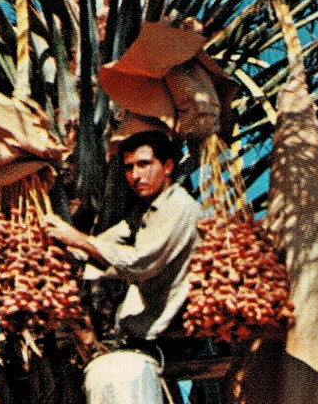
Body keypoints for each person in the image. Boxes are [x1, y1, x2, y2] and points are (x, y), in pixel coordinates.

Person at [43, 130, 202, 341]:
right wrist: (59, 247)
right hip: (146, 331)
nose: (135, 176)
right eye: (129, 168)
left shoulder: (178, 207)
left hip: (174, 336)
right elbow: (106, 242)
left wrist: (77, 239)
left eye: (144, 164)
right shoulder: (146, 210)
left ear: (168, 167)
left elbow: (140, 263)